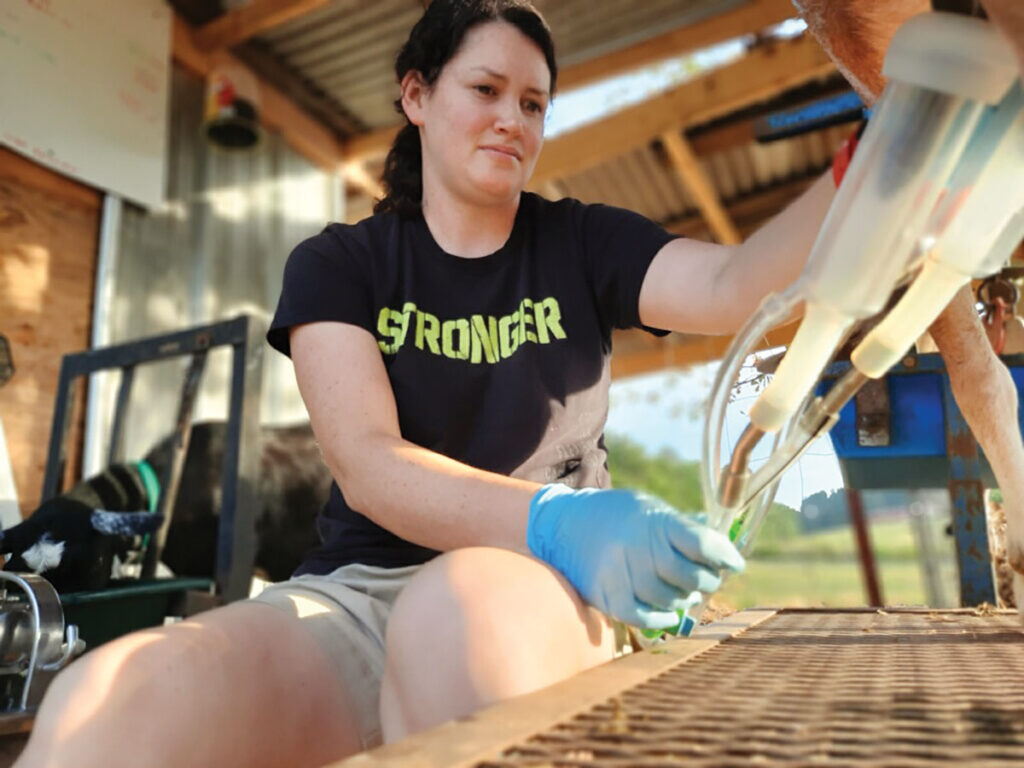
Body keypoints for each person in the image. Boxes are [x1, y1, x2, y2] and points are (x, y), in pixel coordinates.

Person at [16, 1, 1021, 767]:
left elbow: (728, 285)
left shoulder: (579, 241)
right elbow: (366, 465)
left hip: (534, 589)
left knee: (458, 617)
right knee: (102, 708)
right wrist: (556, 516)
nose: (514, 120)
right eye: (485, 90)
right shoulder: (341, 265)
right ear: (416, 96)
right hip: (361, 594)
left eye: (533, 103)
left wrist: (873, 161)